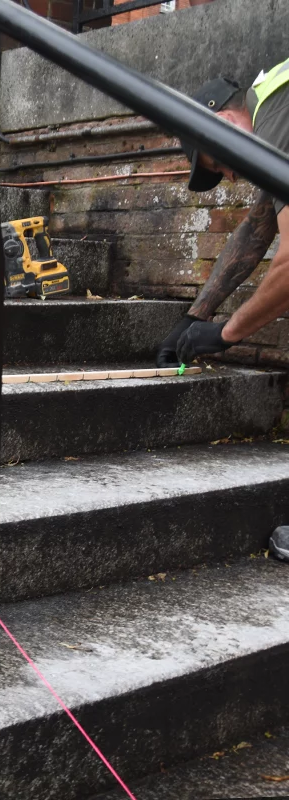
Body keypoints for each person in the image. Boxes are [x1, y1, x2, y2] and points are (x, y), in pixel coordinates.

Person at [154, 58, 289, 562]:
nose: (230, 174)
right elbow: (257, 229)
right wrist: (194, 317)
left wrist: (227, 335)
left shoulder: (277, 111)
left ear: (223, 122)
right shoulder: (275, 107)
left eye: (217, 162)